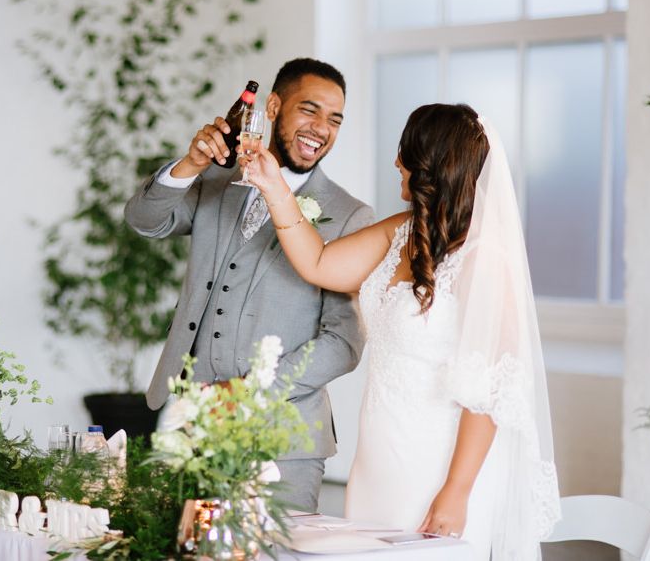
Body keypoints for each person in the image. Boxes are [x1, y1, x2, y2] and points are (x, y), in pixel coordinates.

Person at [240, 103, 561, 559]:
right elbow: (318, 262)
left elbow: (490, 393)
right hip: (379, 456)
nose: (396, 162)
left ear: (429, 163)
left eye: (405, 152)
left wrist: (457, 488)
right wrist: (273, 188)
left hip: (440, 465)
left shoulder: (484, 258)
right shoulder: (401, 232)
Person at [124, 58, 374, 511]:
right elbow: (144, 220)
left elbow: (345, 341)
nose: (321, 128)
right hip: (188, 424)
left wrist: (247, 392)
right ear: (273, 106)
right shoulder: (216, 181)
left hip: (283, 442)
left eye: (334, 119)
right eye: (309, 110)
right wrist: (190, 163)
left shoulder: (349, 215)